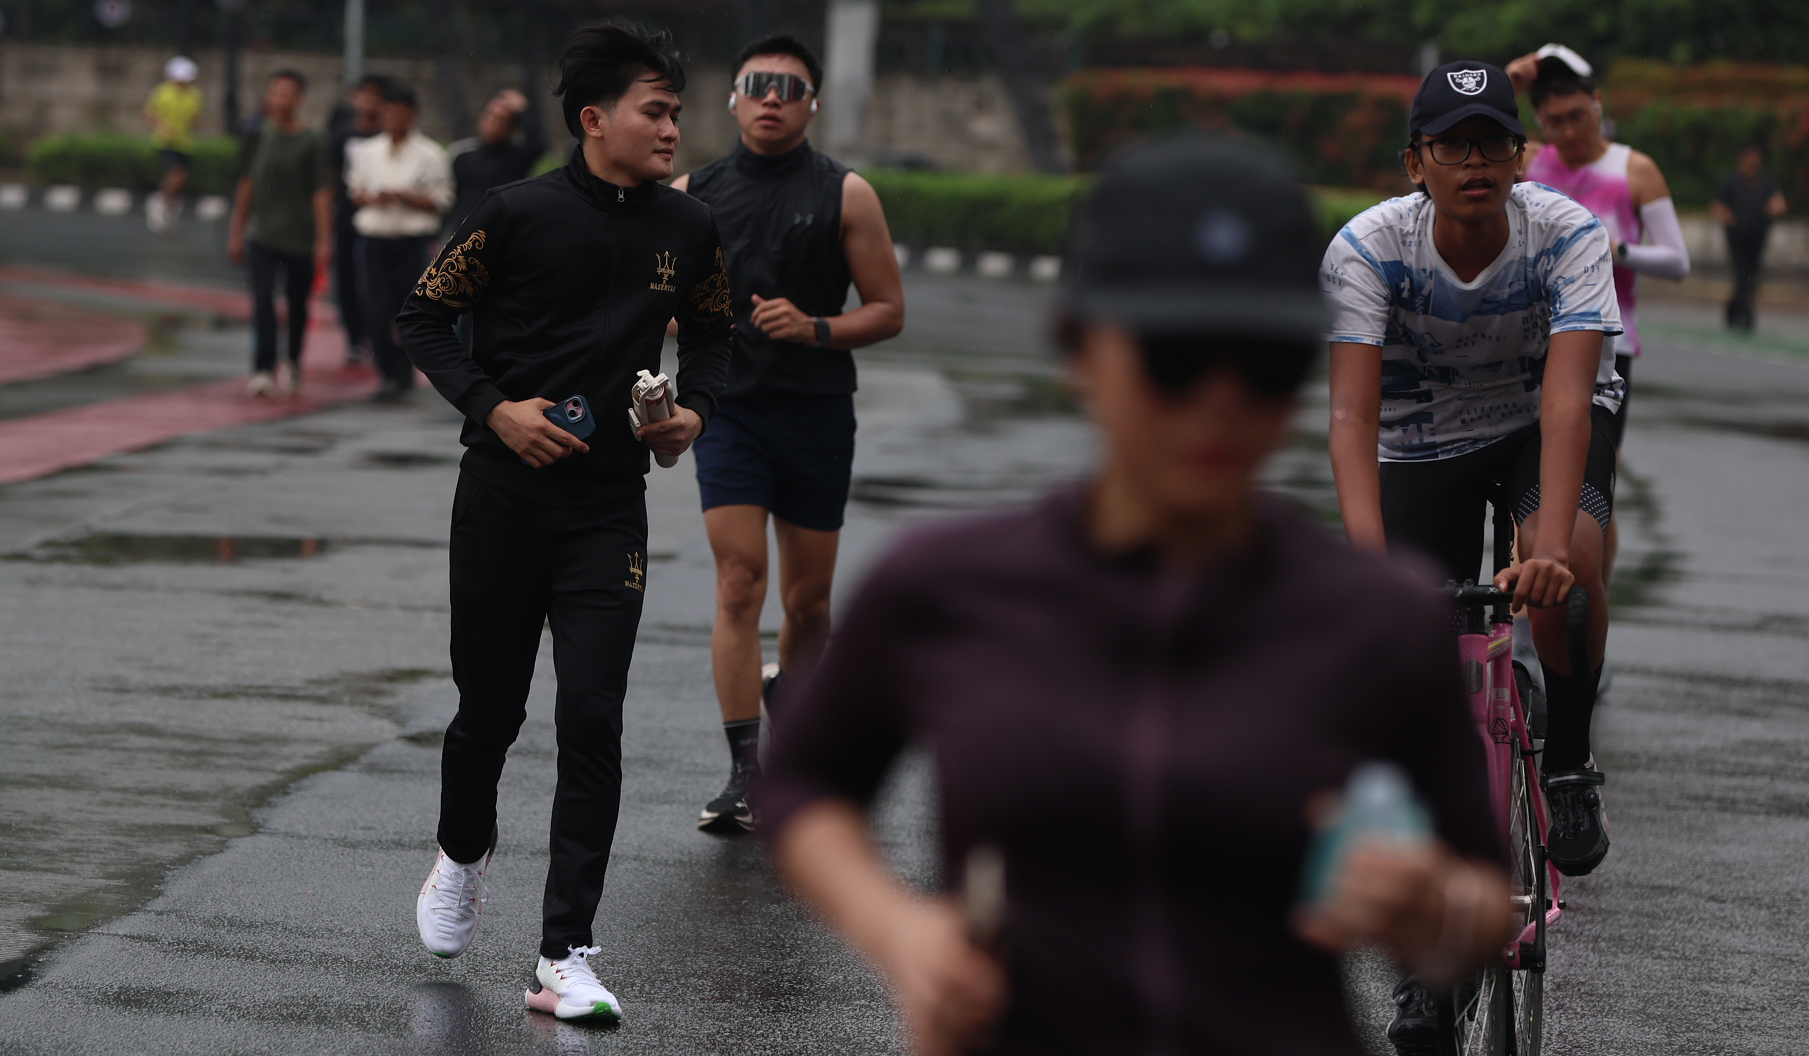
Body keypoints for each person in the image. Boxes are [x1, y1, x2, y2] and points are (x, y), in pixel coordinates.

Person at [763, 136, 1513, 1056]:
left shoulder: (1378, 615)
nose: (1220, 402)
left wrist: (1434, 911)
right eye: (1176, 356)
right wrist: (902, 933)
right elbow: (803, 781)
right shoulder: (949, 584)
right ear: (1079, 347)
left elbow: (1483, 893)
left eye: (1267, 364)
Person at [395, 21, 732, 1021]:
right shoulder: (513, 213)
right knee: (489, 712)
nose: (675, 128)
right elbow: (422, 316)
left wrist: (689, 417)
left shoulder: (690, 231)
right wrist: (494, 408)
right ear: (594, 119)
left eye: (677, 111)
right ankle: (461, 852)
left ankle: (564, 954)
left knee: (591, 715)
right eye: (656, 111)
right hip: (501, 498)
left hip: (606, 512)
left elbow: (712, 342)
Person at [670, 32, 905, 833]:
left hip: (814, 412)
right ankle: (745, 772)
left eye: (789, 87)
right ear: (734, 97)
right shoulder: (691, 194)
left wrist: (815, 328)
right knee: (740, 582)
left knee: (807, 603)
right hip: (729, 409)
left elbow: (887, 311)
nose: (772, 97)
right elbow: (649, 296)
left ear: (811, 104)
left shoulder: (847, 194)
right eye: (757, 83)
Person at [1505, 44, 1690, 451]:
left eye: (1578, 117)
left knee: (1591, 485)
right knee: (1534, 480)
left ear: (1598, 104)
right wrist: (1505, 86)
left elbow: (1678, 262)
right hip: (1533, 338)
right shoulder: (1529, 163)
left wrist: (1615, 250)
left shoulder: (1634, 170)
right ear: (1538, 121)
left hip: (1609, 340)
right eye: (1554, 123)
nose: (1569, 132)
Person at [227, 70, 333, 397]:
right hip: (262, 234)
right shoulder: (258, 136)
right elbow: (247, 183)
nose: (280, 100)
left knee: (297, 304)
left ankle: (293, 361)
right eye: (275, 93)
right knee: (262, 302)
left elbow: (320, 192)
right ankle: (263, 369)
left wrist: (324, 240)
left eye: (287, 94)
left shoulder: (312, 141)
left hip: (300, 237)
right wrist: (237, 230)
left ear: (300, 99)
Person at [346, 83, 453, 401]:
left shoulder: (431, 154)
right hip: (375, 237)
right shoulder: (366, 151)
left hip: (412, 240)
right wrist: (370, 197)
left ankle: (405, 368)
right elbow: (355, 192)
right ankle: (386, 371)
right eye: (388, 113)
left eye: (399, 113)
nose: (393, 119)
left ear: (412, 115)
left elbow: (442, 200)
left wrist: (407, 196)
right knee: (375, 307)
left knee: (409, 309)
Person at [327, 74, 390, 365]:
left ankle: (379, 335)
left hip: (381, 220)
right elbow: (331, 177)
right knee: (347, 278)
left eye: (374, 96)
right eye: (363, 95)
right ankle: (354, 337)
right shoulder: (342, 134)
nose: (367, 102)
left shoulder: (389, 136)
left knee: (376, 282)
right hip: (346, 217)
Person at [448, 89, 547, 233]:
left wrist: (522, 108)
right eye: (490, 116)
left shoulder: (516, 158)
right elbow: (453, 200)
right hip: (464, 233)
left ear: (511, 128)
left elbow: (538, 144)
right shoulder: (463, 156)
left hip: (501, 232)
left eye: (501, 120)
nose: (492, 124)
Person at [1712, 141, 1787, 332]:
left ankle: (1734, 309)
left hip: (1758, 236)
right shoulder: (1731, 181)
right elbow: (1717, 206)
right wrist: (1728, 217)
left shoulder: (1765, 181)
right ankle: (1746, 314)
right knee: (1742, 273)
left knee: (1751, 274)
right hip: (1737, 237)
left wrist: (1775, 208)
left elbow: (1778, 202)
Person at [143, 56, 203, 234]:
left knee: (181, 179)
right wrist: (161, 126)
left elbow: (196, 118)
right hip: (166, 142)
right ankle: (159, 202)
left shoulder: (195, 95)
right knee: (177, 173)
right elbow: (149, 113)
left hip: (185, 143)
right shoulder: (162, 92)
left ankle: (168, 207)